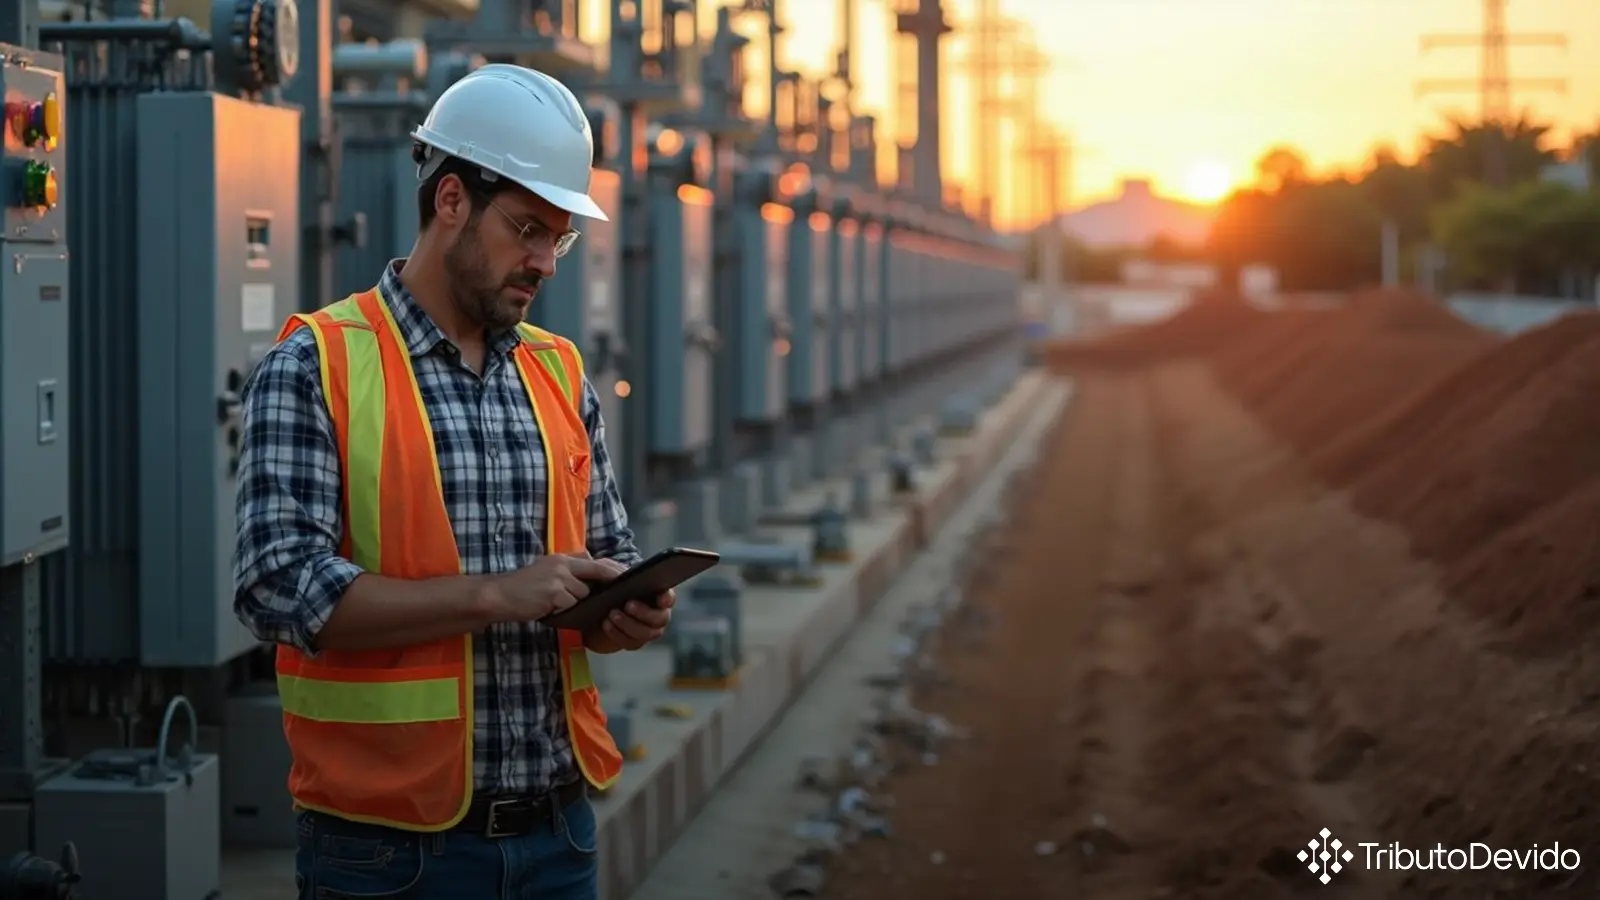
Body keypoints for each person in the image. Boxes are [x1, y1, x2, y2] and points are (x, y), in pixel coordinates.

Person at [232, 63, 672, 900]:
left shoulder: (558, 371)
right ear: (451, 201)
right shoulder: (315, 365)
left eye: (560, 238)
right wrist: (495, 595)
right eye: (528, 230)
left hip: (558, 835)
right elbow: (275, 589)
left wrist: (627, 609)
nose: (546, 261)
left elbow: (602, 560)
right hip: (388, 855)